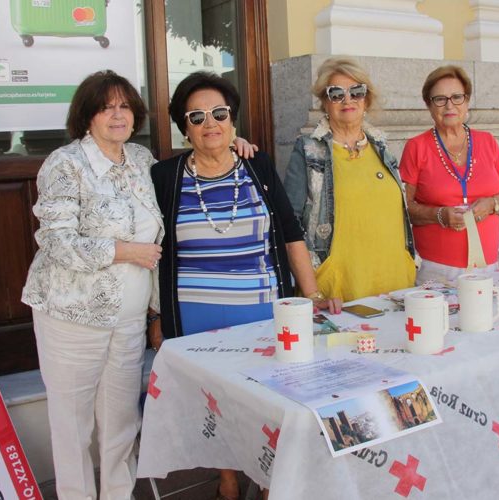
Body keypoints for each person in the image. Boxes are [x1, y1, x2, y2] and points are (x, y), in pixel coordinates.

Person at [149, 71, 339, 500]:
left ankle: (270, 481)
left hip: (262, 318)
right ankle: (228, 480)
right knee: (214, 406)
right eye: (196, 117)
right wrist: (156, 315)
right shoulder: (163, 177)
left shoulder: (258, 165)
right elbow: (150, 250)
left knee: (268, 406)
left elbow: (292, 234)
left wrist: (311, 297)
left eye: (220, 113)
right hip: (195, 321)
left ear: (233, 121)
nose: (209, 123)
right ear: (184, 128)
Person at [21, 70, 164, 499]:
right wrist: (126, 251)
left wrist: (235, 146)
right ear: (88, 117)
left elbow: (183, 183)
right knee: (72, 425)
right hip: (72, 317)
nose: (116, 115)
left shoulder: (141, 160)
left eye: (124, 106)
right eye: (106, 107)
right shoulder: (66, 164)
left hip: (128, 319)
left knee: (121, 422)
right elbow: (56, 240)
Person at [284, 57, 416, 302]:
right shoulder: (308, 151)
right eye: (336, 93)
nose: (348, 100)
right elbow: (290, 227)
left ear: (367, 99)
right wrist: (313, 293)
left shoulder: (382, 148)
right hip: (337, 290)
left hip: (397, 283)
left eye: (357, 92)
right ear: (325, 102)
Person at [399, 65, 499, 283]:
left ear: (467, 102)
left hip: (487, 266)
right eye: (440, 99)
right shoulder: (416, 147)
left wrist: (492, 204)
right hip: (436, 270)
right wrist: (439, 215)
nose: (449, 106)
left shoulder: (487, 141)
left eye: (457, 97)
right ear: (429, 105)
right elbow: (402, 208)